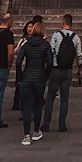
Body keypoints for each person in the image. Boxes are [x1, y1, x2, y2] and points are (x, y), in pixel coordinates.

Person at [43, 13, 82, 132]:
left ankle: (46, 124)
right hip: (68, 70)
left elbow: (50, 52)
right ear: (71, 23)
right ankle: (62, 125)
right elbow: (79, 55)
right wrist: (79, 68)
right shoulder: (76, 37)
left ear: (63, 22)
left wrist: (49, 67)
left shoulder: (56, 36)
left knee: (50, 97)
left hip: (55, 69)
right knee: (64, 98)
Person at [16, 16, 52, 146]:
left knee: (27, 107)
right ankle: (36, 131)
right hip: (39, 78)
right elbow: (50, 63)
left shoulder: (26, 44)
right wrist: (46, 75)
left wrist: (20, 76)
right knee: (37, 105)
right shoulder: (45, 45)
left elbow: (19, 61)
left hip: (27, 78)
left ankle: (26, 135)